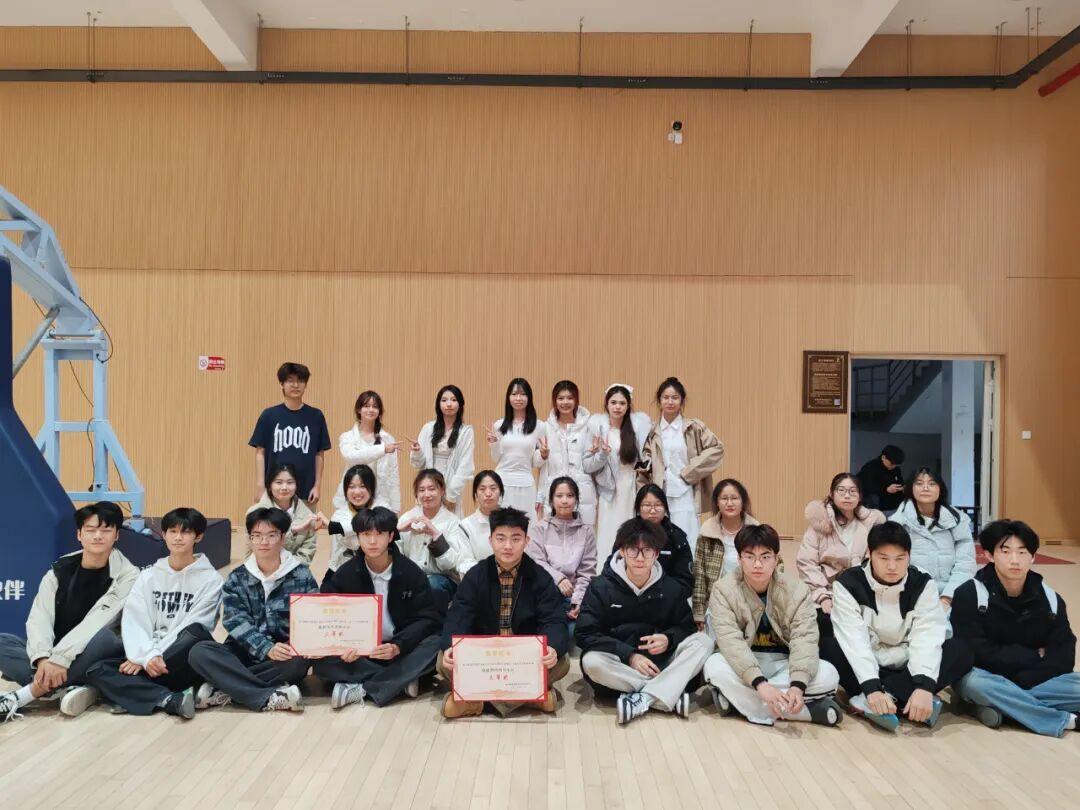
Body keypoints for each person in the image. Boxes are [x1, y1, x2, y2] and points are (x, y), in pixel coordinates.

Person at [820, 521, 973, 731]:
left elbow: (927, 635)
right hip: (870, 661)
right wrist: (872, 687)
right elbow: (854, 640)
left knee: (960, 650)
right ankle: (900, 700)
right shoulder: (848, 583)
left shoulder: (922, 583)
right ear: (869, 554)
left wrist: (924, 685)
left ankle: (882, 700)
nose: (892, 567)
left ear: (909, 556)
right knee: (828, 646)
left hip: (908, 663)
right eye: (884, 558)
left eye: (900, 559)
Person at [0, 502, 137, 722]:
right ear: (79, 534)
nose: (98, 536)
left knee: (105, 638)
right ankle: (68, 684)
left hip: (92, 651)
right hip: (57, 652)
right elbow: (40, 617)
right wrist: (43, 658)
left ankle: (28, 693)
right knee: (3, 642)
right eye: (90, 530)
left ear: (116, 535)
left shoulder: (127, 575)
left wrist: (60, 660)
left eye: (105, 530)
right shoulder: (59, 569)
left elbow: (98, 622)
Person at [84, 508, 224, 719]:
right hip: (148, 659)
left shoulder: (211, 580)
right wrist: (144, 655)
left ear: (198, 536)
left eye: (185, 532)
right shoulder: (148, 576)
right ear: (164, 534)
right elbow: (135, 619)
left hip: (180, 658)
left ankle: (130, 694)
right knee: (96, 669)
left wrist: (150, 656)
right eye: (172, 531)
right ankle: (169, 699)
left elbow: (196, 625)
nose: (178, 537)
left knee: (195, 632)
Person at [576, 518, 712, 725]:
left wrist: (668, 638)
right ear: (622, 551)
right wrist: (629, 655)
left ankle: (644, 697)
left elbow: (687, 627)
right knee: (591, 662)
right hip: (621, 664)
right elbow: (585, 633)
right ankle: (666, 694)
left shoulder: (671, 588)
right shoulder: (600, 587)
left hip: (662, 662)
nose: (640, 558)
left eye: (647, 550)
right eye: (633, 550)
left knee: (704, 642)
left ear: (656, 554)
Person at [703, 524, 842, 727]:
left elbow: (804, 639)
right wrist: (760, 684)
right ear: (739, 559)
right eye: (750, 557)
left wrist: (797, 686)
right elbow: (730, 642)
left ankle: (739, 704)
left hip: (784, 663)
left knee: (829, 674)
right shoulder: (723, 590)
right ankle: (803, 713)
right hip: (745, 662)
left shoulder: (797, 590)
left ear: (776, 559)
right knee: (714, 666)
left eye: (765, 557)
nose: (758, 564)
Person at [951, 520, 1080, 736]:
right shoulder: (970, 594)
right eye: (1006, 551)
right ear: (989, 555)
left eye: (1022, 552)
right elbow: (975, 653)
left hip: (1030, 681)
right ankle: (1067, 721)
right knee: (975, 683)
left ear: (1033, 557)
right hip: (988, 678)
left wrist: (1018, 683)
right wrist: (1035, 656)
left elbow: (1064, 655)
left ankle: (1005, 708)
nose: (1015, 560)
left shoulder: (1050, 599)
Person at [438, 507, 570, 719]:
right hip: (486, 657)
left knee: (562, 662)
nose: (508, 546)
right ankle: (530, 698)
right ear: (490, 540)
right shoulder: (475, 575)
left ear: (526, 541)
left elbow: (554, 619)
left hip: (522, 657)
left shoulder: (540, 577)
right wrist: (450, 647)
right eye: (501, 538)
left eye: (516, 538)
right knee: (443, 660)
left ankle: (478, 704)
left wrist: (552, 647)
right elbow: (459, 615)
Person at [314, 507, 446, 708]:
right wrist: (343, 645)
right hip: (361, 653)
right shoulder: (345, 574)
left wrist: (398, 645)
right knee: (321, 663)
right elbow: (328, 614)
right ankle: (400, 681)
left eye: (380, 534)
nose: (373, 541)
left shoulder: (411, 572)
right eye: (366, 534)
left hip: (399, 650)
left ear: (391, 536)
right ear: (358, 537)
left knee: (435, 644)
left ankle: (362, 688)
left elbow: (427, 618)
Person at [187, 507, 316, 713]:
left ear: (282, 538)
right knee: (199, 652)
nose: (264, 541)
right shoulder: (237, 577)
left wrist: (289, 646)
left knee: (298, 661)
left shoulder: (301, 575)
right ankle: (269, 695)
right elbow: (234, 620)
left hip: (282, 655)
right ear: (249, 539)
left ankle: (226, 688)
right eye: (257, 536)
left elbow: (312, 617)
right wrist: (266, 647)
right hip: (244, 651)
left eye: (271, 535)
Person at [637, 377, 725, 547]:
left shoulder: (694, 427)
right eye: (665, 397)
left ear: (682, 401)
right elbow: (644, 464)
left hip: (686, 492)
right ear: (659, 400)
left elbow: (717, 449)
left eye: (675, 397)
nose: (670, 402)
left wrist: (689, 472)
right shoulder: (651, 430)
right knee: (659, 539)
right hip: (660, 493)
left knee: (687, 538)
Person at [796, 473, 886, 638]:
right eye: (841, 490)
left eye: (852, 491)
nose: (847, 495)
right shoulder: (819, 523)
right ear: (832, 494)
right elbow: (806, 563)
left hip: (861, 591)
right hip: (826, 591)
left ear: (860, 496)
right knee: (824, 627)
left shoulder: (871, 523)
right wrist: (822, 596)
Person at [890, 467, 976, 609]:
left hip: (952, 595)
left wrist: (947, 597)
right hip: (910, 596)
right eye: (919, 483)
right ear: (910, 488)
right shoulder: (897, 523)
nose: (925, 488)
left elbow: (966, 564)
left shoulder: (957, 520)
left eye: (932, 483)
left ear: (940, 489)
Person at [249, 362, 331, 506]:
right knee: (271, 522)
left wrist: (317, 485)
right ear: (282, 384)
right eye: (290, 380)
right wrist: (260, 486)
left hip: (305, 491)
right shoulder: (269, 415)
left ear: (306, 384)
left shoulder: (316, 416)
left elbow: (319, 453)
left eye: (300, 381)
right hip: (274, 490)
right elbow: (260, 452)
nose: (295, 385)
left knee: (305, 521)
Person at [586, 384, 652, 562]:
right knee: (607, 530)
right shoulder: (598, 430)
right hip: (607, 488)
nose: (617, 407)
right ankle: (605, 568)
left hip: (630, 487)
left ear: (628, 406)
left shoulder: (636, 430)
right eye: (613, 402)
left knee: (630, 529)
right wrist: (600, 453)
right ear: (606, 404)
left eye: (622, 403)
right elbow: (588, 464)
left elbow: (645, 459)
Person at [600, 484, 694, 600]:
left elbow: (685, 581)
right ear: (638, 508)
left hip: (665, 601)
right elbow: (611, 570)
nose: (653, 510)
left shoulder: (677, 537)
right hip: (628, 598)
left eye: (658, 505)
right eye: (647, 505)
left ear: (665, 508)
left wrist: (661, 595)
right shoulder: (627, 533)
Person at [526, 477, 598, 624]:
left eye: (570, 495)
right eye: (559, 496)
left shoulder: (587, 532)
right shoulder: (539, 529)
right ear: (551, 500)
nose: (565, 501)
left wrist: (577, 601)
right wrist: (559, 579)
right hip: (545, 595)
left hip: (575, 598)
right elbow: (537, 562)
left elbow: (587, 571)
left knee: (577, 632)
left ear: (576, 500)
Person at [694, 479, 760, 630]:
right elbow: (699, 575)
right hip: (717, 602)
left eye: (734, 498)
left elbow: (775, 565)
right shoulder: (707, 531)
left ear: (743, 501)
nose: (729, 503)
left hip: (750, 602)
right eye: (724, 498)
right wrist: (699, 612)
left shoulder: (756, 529)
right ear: (717, 502)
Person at [396, 469, 473, 597]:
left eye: (432, 489)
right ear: (416, 493)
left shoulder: (453, 522)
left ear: (442, 491)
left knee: (432, 585)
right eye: (421, 490)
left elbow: (450, 564)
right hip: (411, 577)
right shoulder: (407, 518)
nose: (426, 494)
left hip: (442, 579)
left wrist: (436, 536)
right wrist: (398, 531)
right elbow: (394, 558)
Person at [406, 385, 475, 519]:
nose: (448, 404)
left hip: (451, 485)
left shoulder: (466, 431)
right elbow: (418, 465)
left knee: (449, 523)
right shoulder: (428, 428)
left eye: (453, 400)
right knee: (425, 521)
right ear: (438, 404)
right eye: (444, 400)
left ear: (460, 404)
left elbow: (465, 466)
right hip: (429, 484)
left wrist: (451, 495)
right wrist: (417, 452)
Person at [536, 380, 599, 525]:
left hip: (583, 492)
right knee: (554, 533)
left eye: (570, 398)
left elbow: (592, 465)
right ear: (555, 401)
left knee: (583, 534)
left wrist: (597, 453)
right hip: (555, 490)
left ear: (576, 400)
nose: (565, 402)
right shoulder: (546, 427)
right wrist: (540, 495)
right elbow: (543, 468)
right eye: (561, 398)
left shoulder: (589, 426)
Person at [484, 378, 548, 514]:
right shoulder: (499, 425)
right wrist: (494, 444)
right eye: (514, 394)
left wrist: (543, 455)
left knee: (526, 523)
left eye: (523, 394)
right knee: (502, 523)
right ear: (508, 398)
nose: (518, 398)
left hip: (526, 483)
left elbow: (535, 463)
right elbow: (496, 459)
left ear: (529, 398)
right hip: (502, 482)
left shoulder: (539, 426)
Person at [333, 390, 401, 513]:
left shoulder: (388, 439)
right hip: (354, 495)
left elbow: (393, 474)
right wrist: (382, 449)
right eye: (366, 406)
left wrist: (395, 508)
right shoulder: (347, 437)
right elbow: (352, 457)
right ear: (358, 410)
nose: (371, 410)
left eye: (375, 406)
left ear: (379, 411)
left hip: (379, 497)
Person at [245, 462, 325, 565]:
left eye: (290, 482)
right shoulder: (255, 512)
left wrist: (290, 570)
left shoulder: (307, 515)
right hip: (260, 568)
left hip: (295, 569)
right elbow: (258, 551)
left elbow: (307, 554)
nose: (284, 487)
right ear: (269, 485)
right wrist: (293, 531)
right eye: (279, 482)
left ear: (296, 485)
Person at [326, 464, 378, 579]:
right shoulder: (339, 515)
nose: (357, 492)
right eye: (351, 487)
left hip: (375, 570)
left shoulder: (380, 509)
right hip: (343, 567)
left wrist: (338, 527)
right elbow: (351, 544)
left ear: (371, 488)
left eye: (362, 486)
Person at [456, 470, 503, 566]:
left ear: (501, 493)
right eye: (482, 489)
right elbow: (465, 562)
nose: (488, 493)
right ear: (475, 495)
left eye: (493, 488)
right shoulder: (465, 526)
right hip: (479, 574)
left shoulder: (514, 522)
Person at [856, 445, 905, 514]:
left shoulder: (895, 468)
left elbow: (900, 481)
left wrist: (901, 487)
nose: (893, 467)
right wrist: (886, 489)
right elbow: (866, 488)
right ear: (883, 457)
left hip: (893, 500)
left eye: (896, 465)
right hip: (877, 501)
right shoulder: (870, 467)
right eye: (891, 464)